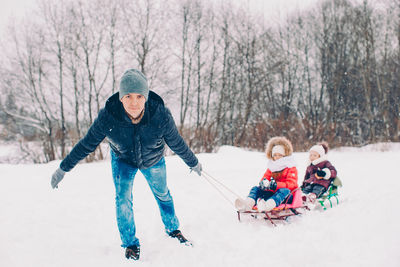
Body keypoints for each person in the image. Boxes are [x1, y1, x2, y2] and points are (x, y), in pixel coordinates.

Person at [50, 68, 202, 261]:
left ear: (146, 97)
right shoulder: (108, 117)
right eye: (128, 96)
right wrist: (63, 168)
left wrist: (193, 162)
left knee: (163, 194)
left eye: (139, 96)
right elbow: (86, 144)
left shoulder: (160, 115)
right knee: (123, 200)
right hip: (123, 159)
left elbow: (177, 143)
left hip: (153, 159)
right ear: (121, 97)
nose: (134, 102)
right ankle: (130, 243)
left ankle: (173, 229)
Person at [235, 136, 298, 212]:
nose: (277, 157)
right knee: (255, 188)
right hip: (270, 194)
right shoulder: (271, 167)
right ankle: (248, 203)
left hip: (286, 196)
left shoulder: (290, 167)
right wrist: (263, 184)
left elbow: (292, 184)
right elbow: (265, 178)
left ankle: (267, 206)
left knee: (284, 190)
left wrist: (276, 185)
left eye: (280, 155)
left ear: (284, 155)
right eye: (275, 155)